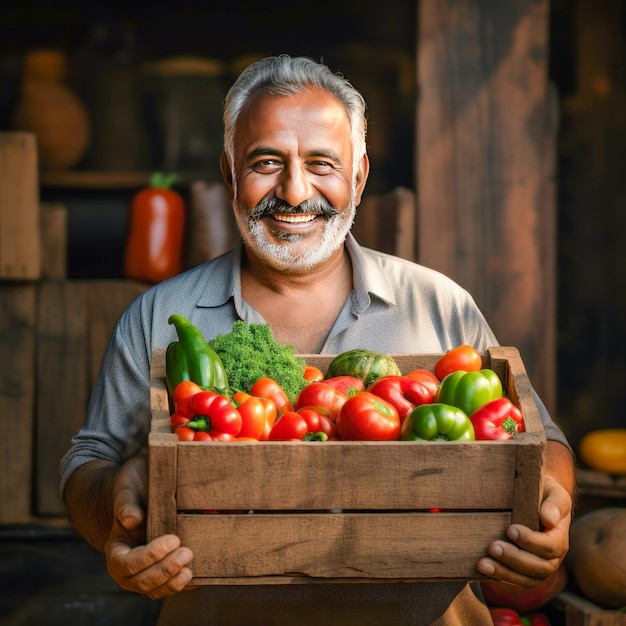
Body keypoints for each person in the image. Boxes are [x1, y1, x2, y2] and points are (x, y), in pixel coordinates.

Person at [59, 55, 575, 626]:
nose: (295, 190)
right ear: (230, 174)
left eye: (322, 163)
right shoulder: (158, 315)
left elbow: (543, 440)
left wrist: (554, 499)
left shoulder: (440, 303)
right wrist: (116, 504)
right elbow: (89, 462)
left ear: (358, 176)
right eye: (266, 161)